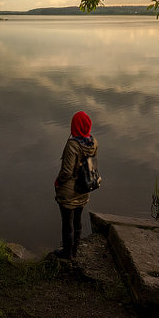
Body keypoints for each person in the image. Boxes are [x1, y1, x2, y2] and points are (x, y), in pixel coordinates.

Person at [53, 111, 99, 260]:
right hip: (84, 187)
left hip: (69, 191)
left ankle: (67, 253)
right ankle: (75, 249)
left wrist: (58, 182)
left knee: (67, 223)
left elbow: (66, 171)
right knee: (78, 220)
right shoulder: (93, 142)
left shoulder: (73, 145)